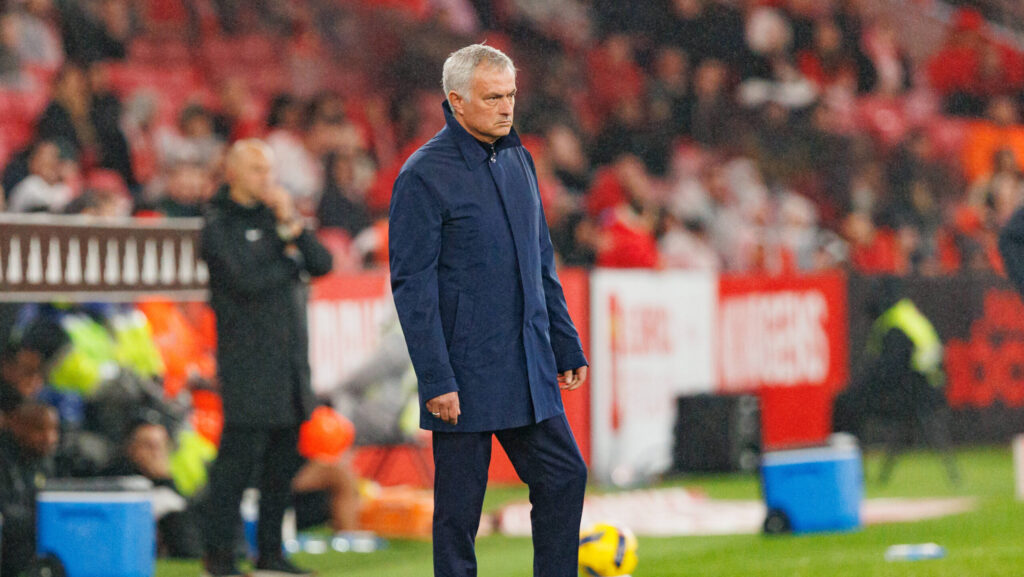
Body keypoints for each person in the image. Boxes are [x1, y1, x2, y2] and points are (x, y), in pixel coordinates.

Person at [388, 44, 589, 577]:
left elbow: (540, 258)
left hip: (527, 362)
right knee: (459, 515)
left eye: (511, 95)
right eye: (493, 98)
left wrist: (565, 342)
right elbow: (412, 287)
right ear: (456, 101)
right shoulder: (422, 174)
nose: (506, 108)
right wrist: (436, 378)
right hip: (465, 371)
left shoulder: (519, 158)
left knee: (565, 475)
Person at [198, 139, 333, 577]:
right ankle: (219, 557)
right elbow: (244, 281)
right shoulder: (218, 224)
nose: (267, 179)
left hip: (289, 363)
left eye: (270, 170)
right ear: (233, 173)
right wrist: (288, 262)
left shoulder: (277, 219)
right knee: (236, 465)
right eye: (257, 170)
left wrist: (292, 224)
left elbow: (322, 263)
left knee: (281, 465)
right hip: (247, 364)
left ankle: (271, 553)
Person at [832, 277, 958, 485]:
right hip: (930, 393)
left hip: (914, 396)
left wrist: (859, 387)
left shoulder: (895, 325)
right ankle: (852, 470)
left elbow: (889, 371)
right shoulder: (910, 317)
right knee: (852, 399)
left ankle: (848, 471)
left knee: (846, 404)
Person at [0, 403, 59, 577]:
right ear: (18, 427)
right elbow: (6, 515)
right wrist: (44, 519)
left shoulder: (45, 462)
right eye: (39, 430)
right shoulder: (4, 461)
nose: (49, 438)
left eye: (54, 430)